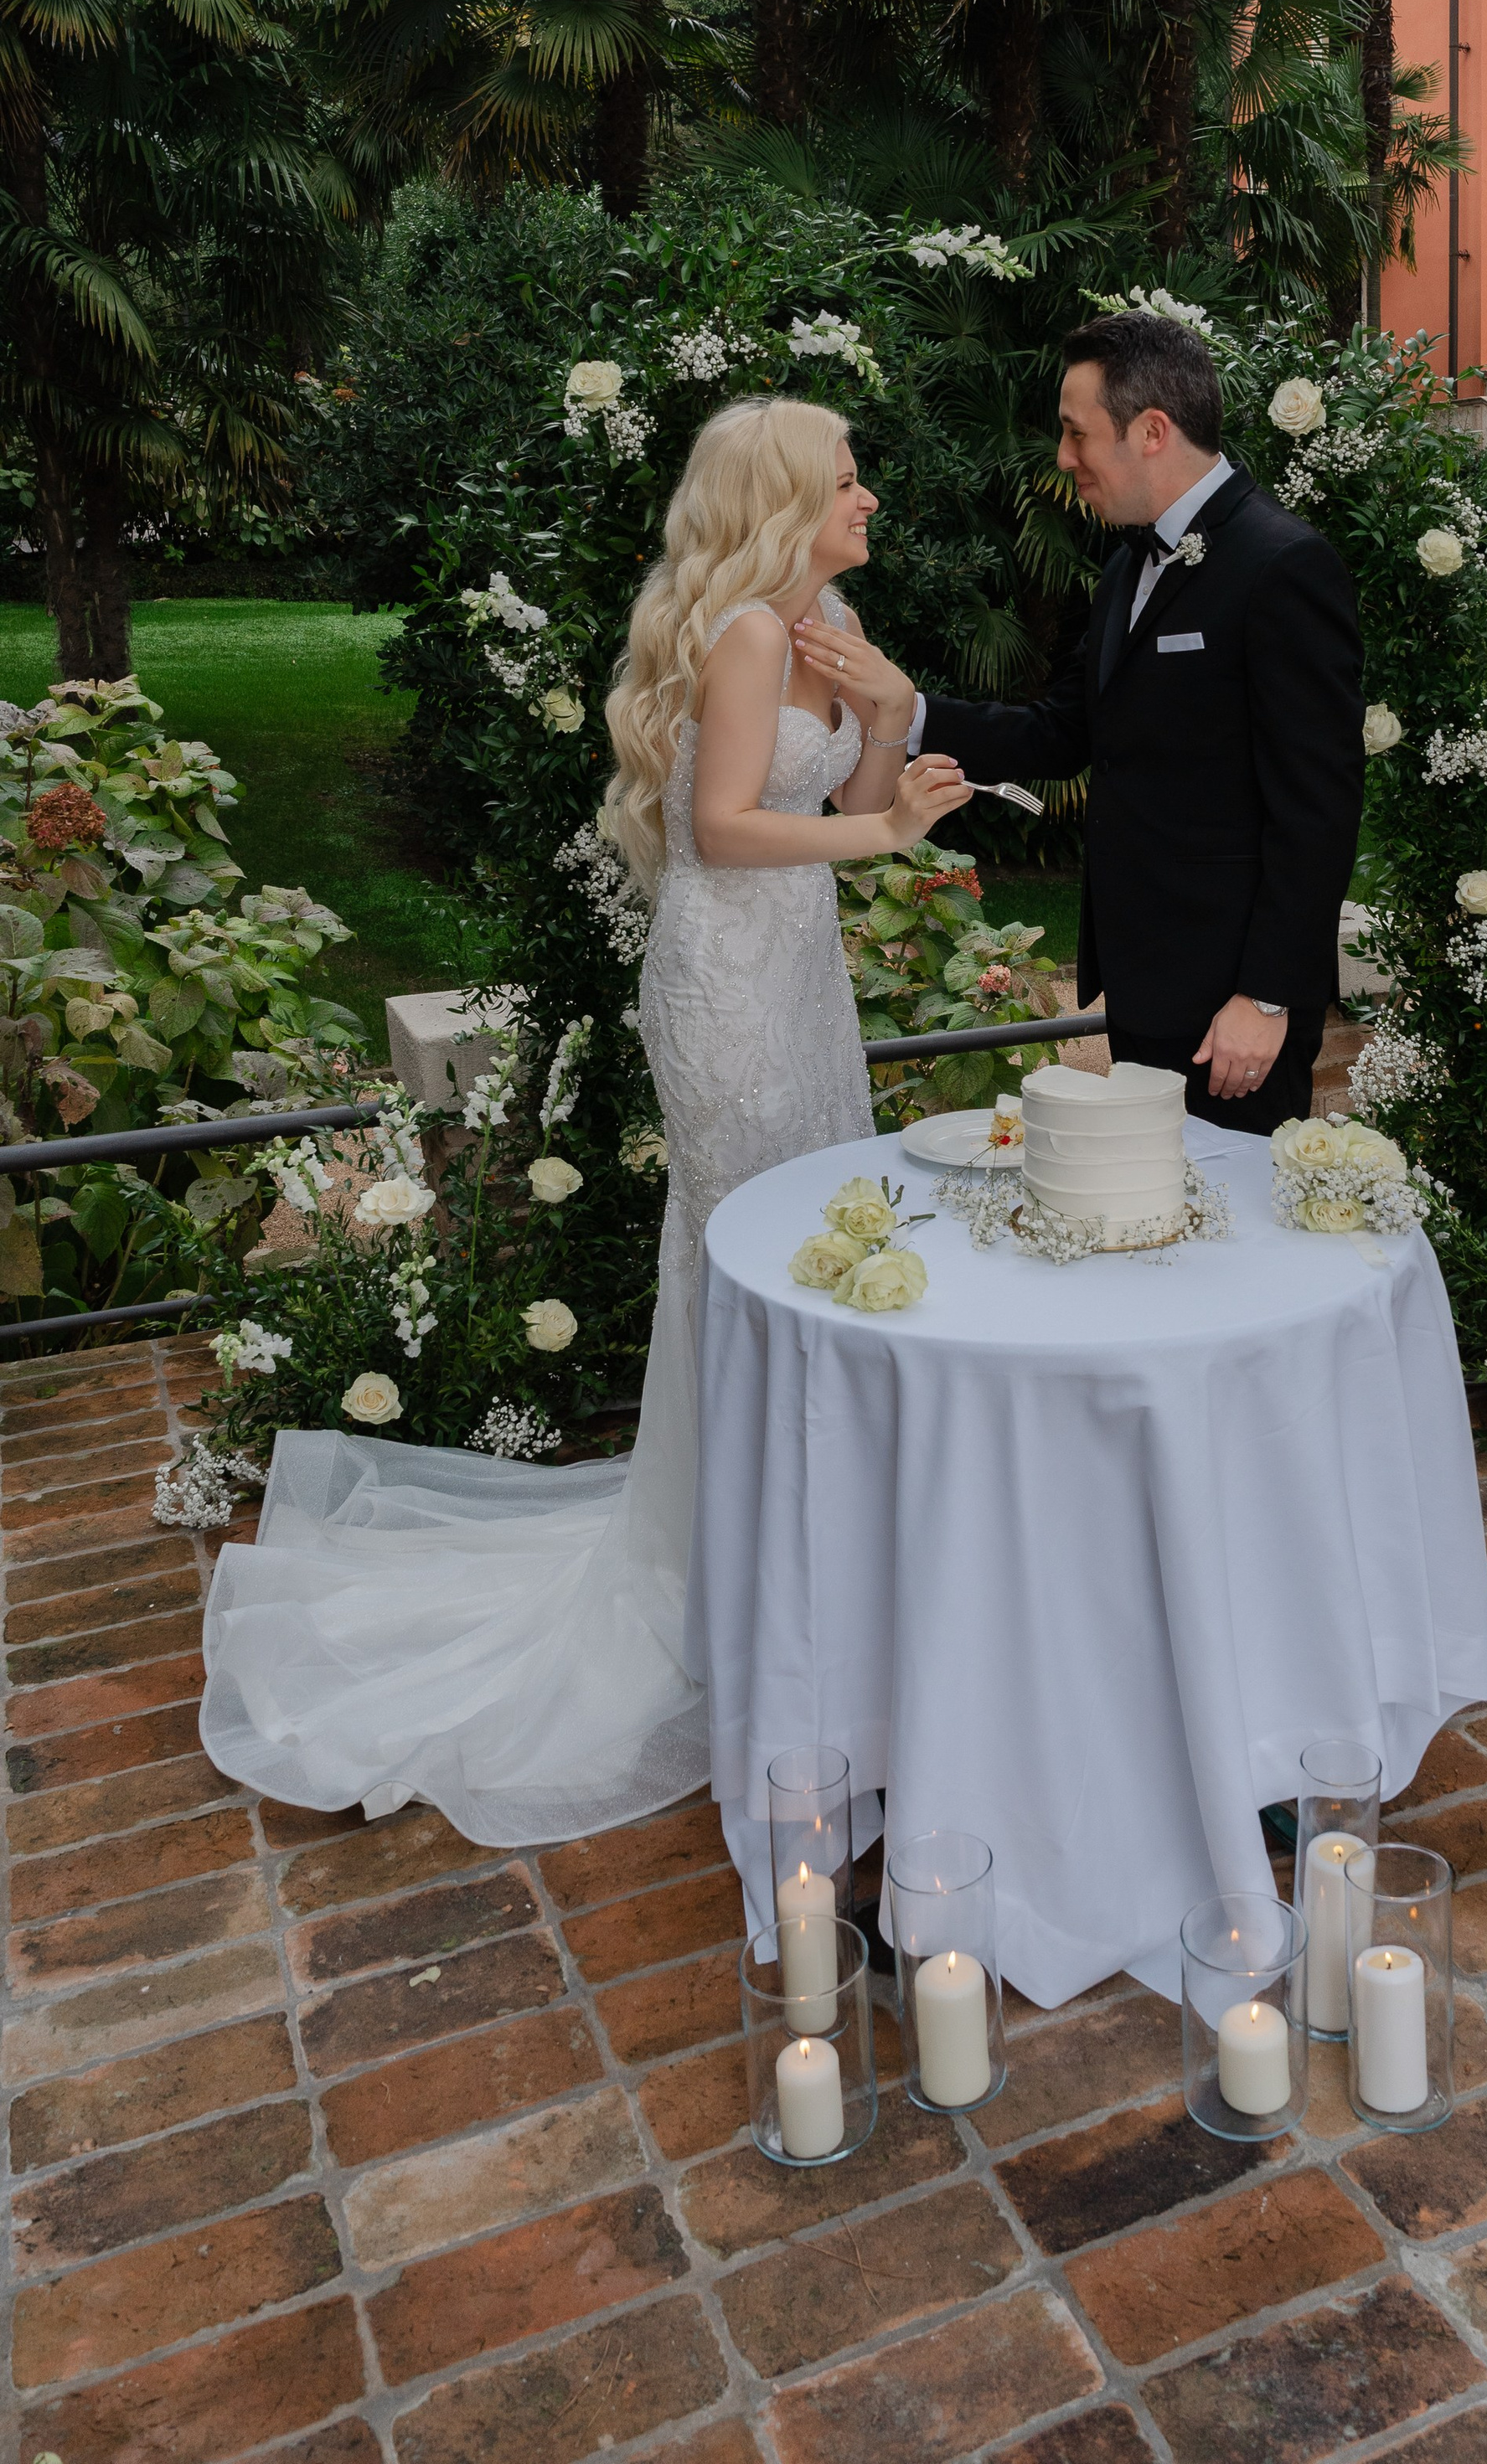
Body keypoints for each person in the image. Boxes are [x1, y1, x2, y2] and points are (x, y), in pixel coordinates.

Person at [199, 399, 966, 1843]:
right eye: (849, 478)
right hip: (728, 994)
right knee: (752, 1258)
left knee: (816, 1251)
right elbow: (723, 830)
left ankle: (807, 1545)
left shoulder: (824, 618)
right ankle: (736, 1574)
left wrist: (880, 726)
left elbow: (843, 810)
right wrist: (886, 826)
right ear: (785, 500)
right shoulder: (743, 632)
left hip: (803, 978)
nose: (871, 496)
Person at [795, 310, 1362, 1135]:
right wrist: (904, 708)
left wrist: (1266, 996)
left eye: (1076, 433)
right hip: (1143, 982)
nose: (1063, 459)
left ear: (1153, 431)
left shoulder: (1282, 565)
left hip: (1229, 1008)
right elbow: (1063, 732)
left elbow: (1319, 805)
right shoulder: (1124, 565)